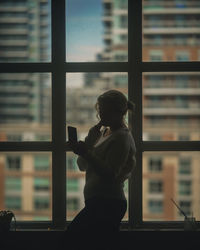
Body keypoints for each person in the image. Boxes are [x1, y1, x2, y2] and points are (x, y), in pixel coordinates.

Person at [67, 89, 136, 232]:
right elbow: (82, 165)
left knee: (71, 239)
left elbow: (110, 174)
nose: (101, 115)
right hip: (98, 203)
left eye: (106, 111)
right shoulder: (104, 133)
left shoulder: (121, 137)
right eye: (100, 110)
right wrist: (89, 142)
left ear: (119, 113)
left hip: (108, 204)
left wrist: (86, 152)